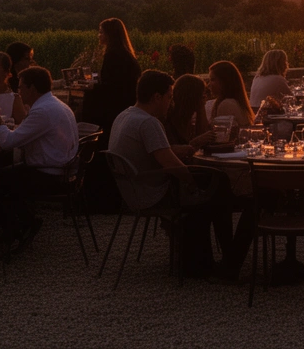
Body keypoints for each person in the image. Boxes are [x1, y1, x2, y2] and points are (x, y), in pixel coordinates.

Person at [107, 70, 252, 276]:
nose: (170, 102)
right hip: (154, 193)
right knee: (221, 193)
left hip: (133, 191)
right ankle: (226, 262)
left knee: (215, 188)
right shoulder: (149, 123)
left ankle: (219, 261)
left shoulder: (124, 115)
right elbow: (172, 164)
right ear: (157, 97)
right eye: (168, 97)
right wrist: (194, 185)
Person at [0, 67, 79, 250]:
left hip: (50, 175)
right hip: (61, 169)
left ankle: (19, 227)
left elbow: (8, 142)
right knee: (3, 176)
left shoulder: (42, 111)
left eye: (21, 88)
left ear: (32, 89)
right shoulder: (55, 104)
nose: (18, 92)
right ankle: (16, 226)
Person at [83, 18, 140, 131]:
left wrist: (91, 86)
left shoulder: (113, 55)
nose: (99, 35)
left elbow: (111, 87)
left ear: (110, 35)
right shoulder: (127, 55)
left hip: (115, 108)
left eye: (101, 32)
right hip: (128, 103)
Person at [164, 74, 215, 157]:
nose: (205, 98)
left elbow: (206, 140)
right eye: (202, 95)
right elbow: (171, 152)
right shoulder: (168, 122)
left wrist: (201, 109)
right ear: (193, 97)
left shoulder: (190, 120)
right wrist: (195, 142)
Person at [205, 60, 254, 127]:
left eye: (213, 79)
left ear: (224, 81)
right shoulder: (236, 103)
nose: (208, 85)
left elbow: (221, 134)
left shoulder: (226, 104)